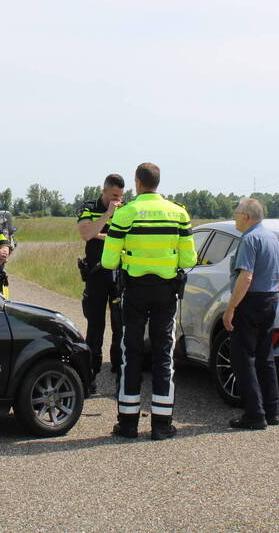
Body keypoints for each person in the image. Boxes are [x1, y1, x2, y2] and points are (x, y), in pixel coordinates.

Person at [101, 162, 197, 440]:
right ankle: (162, 425)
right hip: (166, 292)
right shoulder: (179, 213)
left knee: (130, 354)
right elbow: (189, 259)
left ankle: (128, 424)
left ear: (137, 183)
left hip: (134, 291)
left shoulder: (126, 213)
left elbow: (108, 260)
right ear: (158, 182)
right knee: (164, 355)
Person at [222, 197, 279, 430]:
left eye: (237, 213)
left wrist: (231, 309)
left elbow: (245, 277)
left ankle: (254, 414)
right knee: (265, 357)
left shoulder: (249, 239)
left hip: (251, 302)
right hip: (270, 298)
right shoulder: (272, 238)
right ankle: (272, 410)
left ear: (246, 216)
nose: (235, 217)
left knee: (242, 358)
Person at [76, 173, 126, 395]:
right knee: (95, 327)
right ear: (104, 191)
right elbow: (87, 233)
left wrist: (101, 234)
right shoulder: (89, 207)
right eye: (114, 195)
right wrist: (108, 215)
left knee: (120, 326)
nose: (117, 200)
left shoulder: (126, 208)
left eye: (121, 196)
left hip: (120, 274)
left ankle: (119, 375)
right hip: (96, 274)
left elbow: (127, 237)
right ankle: (91, 375)